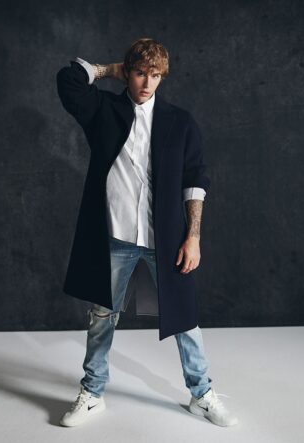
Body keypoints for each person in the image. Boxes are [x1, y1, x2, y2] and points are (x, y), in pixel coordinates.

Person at [55, 38, 238, 427]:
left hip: (164, 240)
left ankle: (202, 394)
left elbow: (195, 180)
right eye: (140, 73)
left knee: (185, 318)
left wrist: (193, 236)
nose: (147, 83)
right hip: (115, 236)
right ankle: (92, 393)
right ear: (129, 72)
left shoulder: (180, 122)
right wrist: (109, 70)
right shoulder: (103, 110)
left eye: (155, 76)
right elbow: (68, 81)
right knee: (102, 316)